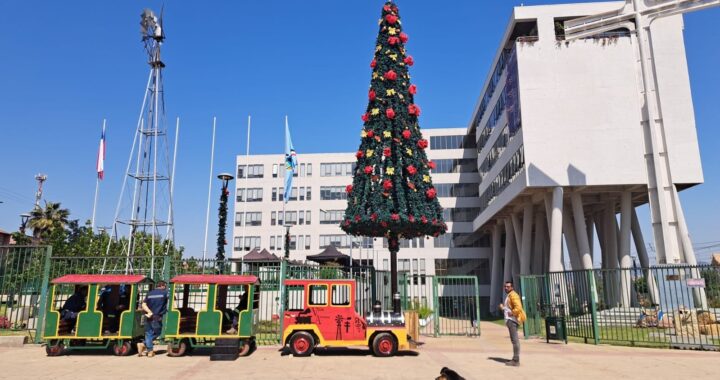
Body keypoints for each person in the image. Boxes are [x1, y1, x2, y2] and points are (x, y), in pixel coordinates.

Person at [137, 281, 168, 357]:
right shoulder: (165, 293)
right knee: (158, 332)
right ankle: (147, 349)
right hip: (157, 317)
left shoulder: (149, 293)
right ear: (162, 286)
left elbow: (143, 304)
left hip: (148, 316)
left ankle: (147, 348)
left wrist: (149, 312)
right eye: (165, 286)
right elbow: (173, 298)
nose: (166, 288)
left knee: (148, 333)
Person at [498, 281, 526, 367]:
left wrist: (512, 313)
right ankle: (515, 358)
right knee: (514, 340)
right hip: (510, 320)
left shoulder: (514, 295)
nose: (506, 288)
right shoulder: (510, 295)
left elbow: (518, 307)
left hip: (512, 320)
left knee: (515, 341)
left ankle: (516, 360)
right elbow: (509, 308)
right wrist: (503, 308)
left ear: (512, 287)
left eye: (508, 286)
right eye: (505, 286)